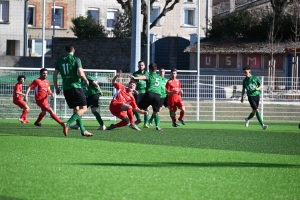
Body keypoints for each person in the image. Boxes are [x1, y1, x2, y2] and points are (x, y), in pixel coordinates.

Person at [53, 45, 93, 137]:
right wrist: (86, 80)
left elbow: (55, 74)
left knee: (76, 109)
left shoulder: (60, 60)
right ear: (73, 50)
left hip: (66, 88)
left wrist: (56, 87)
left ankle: (83, 130)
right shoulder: (76, 59)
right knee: (84, 108)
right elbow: (80, 73)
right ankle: (68, 124)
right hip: (75, 87)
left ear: (65, 51)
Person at [130, 63, 163, 131]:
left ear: (150, 69)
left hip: (149, 94)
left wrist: (135, 77)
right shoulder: (159, 77)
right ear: (156, 69)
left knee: (136, 108)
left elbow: (143, 77)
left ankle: (133, 122)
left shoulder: (150, 75)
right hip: (157, 95)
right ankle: (158, 126)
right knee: (156, 112)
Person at [132, 61, 150, 128]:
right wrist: (134, 90)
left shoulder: (147, 74)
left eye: (142, 65)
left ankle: (146, 123)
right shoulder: (135, 74)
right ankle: (139, 119)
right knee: (135, 107)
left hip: (145, 93)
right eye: (139, 65)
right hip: (138, 93)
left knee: (146, 108)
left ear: (144, 66)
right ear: (138, 66)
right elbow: (132, 84)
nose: (141, 66)